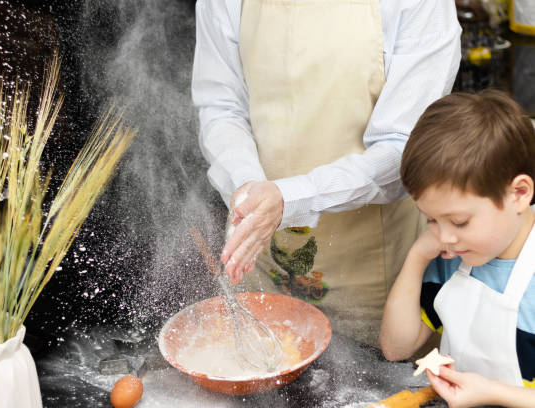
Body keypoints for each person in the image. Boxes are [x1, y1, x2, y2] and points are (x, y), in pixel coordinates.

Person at [192, 0, 462, 346]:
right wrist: (246, 186)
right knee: (263, 366)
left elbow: (404, 150)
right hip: (260, 265)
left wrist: (288, 199)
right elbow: (221, 106)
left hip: (377, 283)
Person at [380, 90, 535, 407]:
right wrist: (417, 257)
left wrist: (494, 394)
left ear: (519, 194)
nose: (445, 237)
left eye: (460, 221)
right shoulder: (455, 256)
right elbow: (396, 348)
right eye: (432, 220)